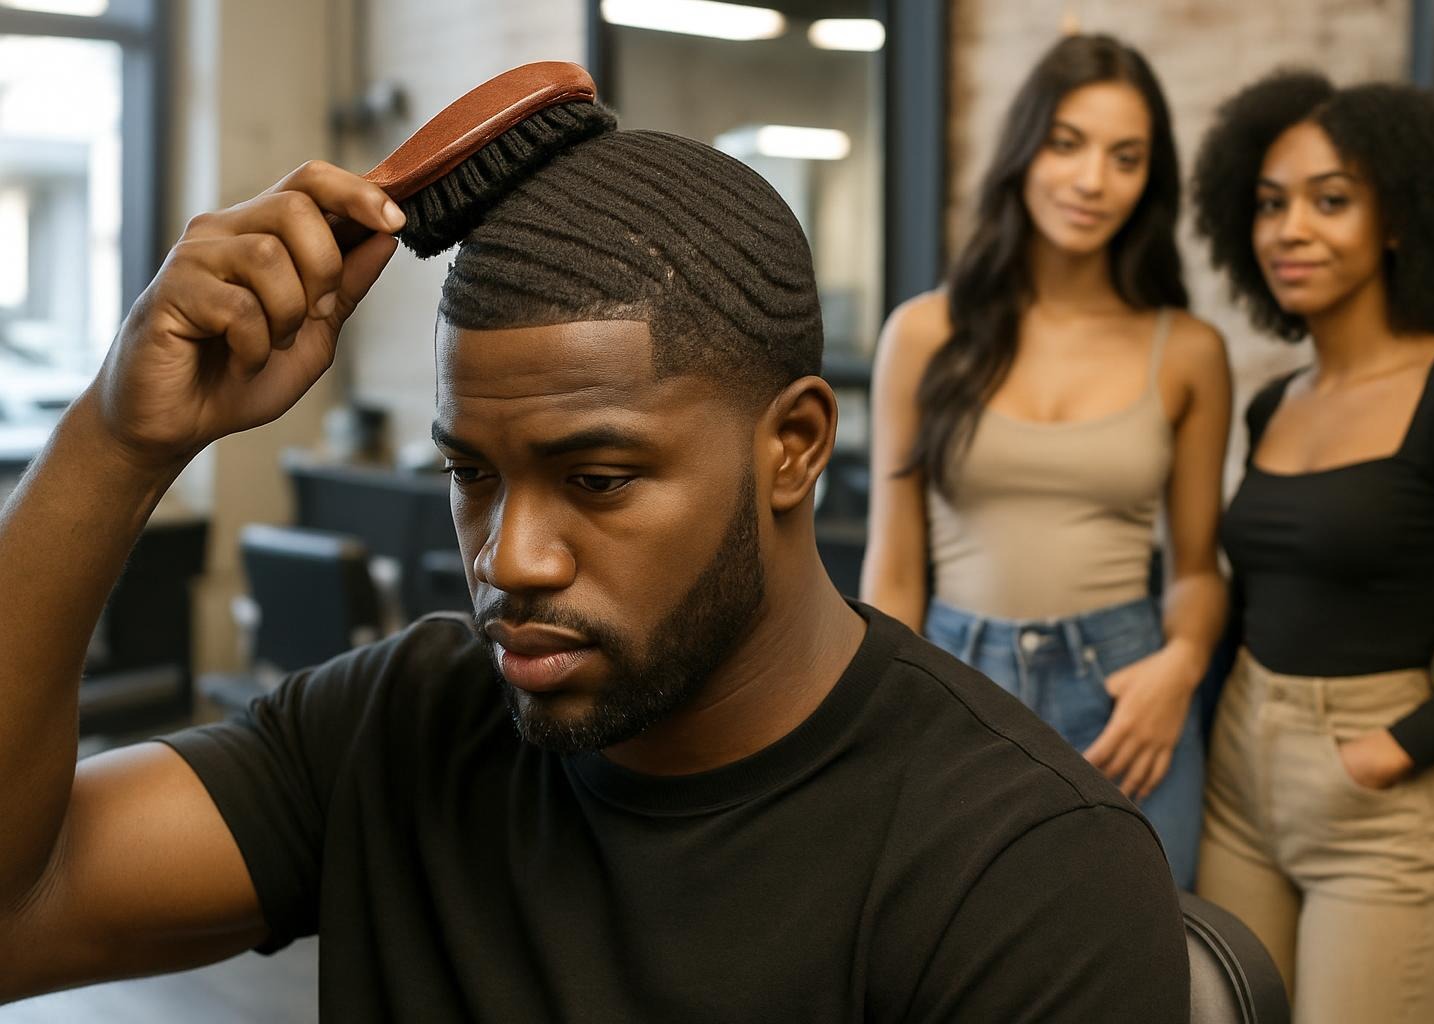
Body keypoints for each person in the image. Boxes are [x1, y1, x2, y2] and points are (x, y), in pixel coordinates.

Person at [0, 125, 1190, 1019]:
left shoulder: (1027, 872)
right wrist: (118, 442)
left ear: (795, 446)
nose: (507, 557)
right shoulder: (400, 723)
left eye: (600, 478)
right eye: (472, 473)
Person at [1191, 70, 1434, 1024]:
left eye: (1329, 201)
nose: (1289, 229)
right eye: (1269, 204)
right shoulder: (1274, 404)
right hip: (1238, 783)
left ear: (1399, 221)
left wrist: (1386, 753)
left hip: (1376, 805)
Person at [861, 33, 1230, 890]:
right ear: (1024, 149)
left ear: (1151, 180)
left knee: (1141, 973)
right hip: (953, 682)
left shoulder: (1188, 351)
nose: (1092, 180)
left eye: (1125, 156)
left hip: (1128, 694)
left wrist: (1178, 670)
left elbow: (1198, 570)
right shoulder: (923, 333)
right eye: (1067, 143)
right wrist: (886, 711)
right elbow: (896, 562)